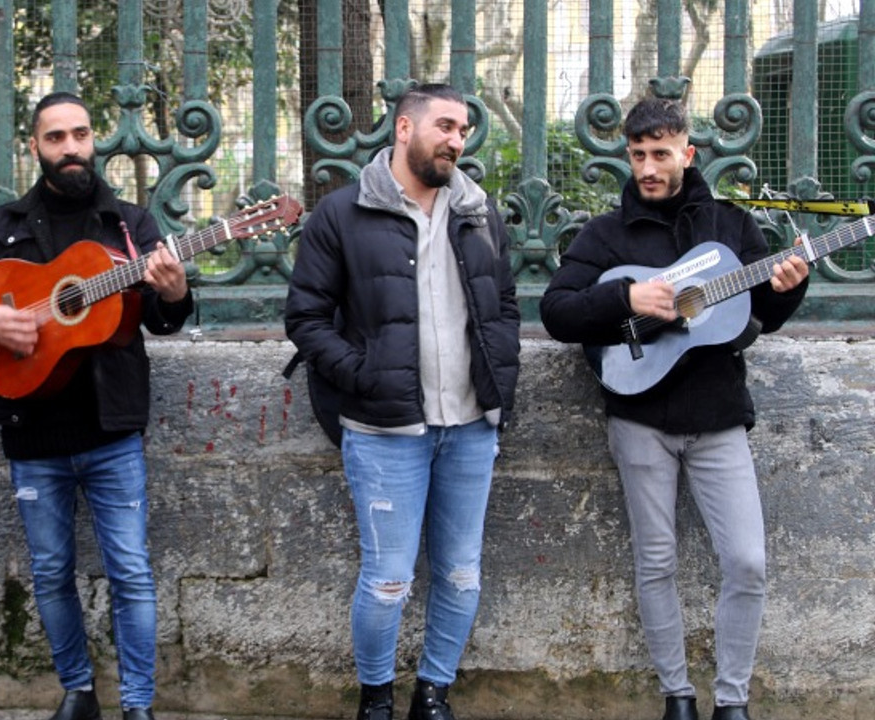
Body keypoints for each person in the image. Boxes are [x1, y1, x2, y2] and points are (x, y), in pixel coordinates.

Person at [539, 97, 809, 720]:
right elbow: (557, 312)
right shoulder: (604, 235)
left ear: (688, 153)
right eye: (638, 155)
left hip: (717, 417)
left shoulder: (731, 227)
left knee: (746, 560)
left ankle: (732, 703)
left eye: (661, 154)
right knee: (655, 560)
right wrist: (626, 295)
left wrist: (790, 289)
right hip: (639, 417)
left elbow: (760, 315)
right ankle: (677, 698)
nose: (648, 168)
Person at [0, 91, 191, 720]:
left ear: (93, 138)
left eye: (80, 134)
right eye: (56, 137)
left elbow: (160, 320)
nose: (71, 147)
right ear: (36, 147)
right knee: (50, 573)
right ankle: (77, 692)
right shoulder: (3, 226)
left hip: (111, 431)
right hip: (31, 430)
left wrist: (175, 294)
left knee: (130, 570)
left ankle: (137, 706)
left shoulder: (129, 224)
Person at [284, 83, 520, 720]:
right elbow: (305, 318)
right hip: (385, 429)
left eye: (464, 130)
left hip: (471, 424)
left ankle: (434, 692)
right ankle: (377, 699)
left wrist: (503, 379)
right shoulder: (341, 214)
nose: (456, 140)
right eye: (444, 125)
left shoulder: (477, 211)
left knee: (461, 574)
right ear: (404, 129)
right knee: (388, 580)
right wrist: (363, 376)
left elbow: (504, 306)